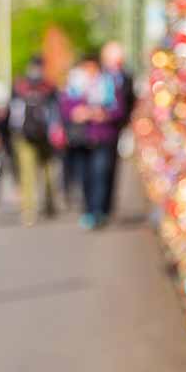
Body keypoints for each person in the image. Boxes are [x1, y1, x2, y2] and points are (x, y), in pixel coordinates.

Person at [59, 53, 126, 230]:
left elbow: (119, 110)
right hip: (81, 139)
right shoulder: (75, 86)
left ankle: (99, 211)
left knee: (100, 174)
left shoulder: (109, 84)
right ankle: (88, 209)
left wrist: (102, 114)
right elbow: (65, 108)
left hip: (102, 137)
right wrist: (78, 112)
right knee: (85, 177)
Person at [10, 56, 58, 226]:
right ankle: (48, 204)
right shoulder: (49, 86)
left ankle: (29, 210)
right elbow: (55, 111)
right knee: (46, 171)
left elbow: (13, 111)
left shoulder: (19, 86)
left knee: (28, 173)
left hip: (24, 135)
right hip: (41, 135)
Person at [100, 41, 135, 219]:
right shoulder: (99, 77)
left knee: (110, 167)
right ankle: (97, 206)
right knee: (98, 169)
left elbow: (131, 101)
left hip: (115, 127)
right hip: (97, 128)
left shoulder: (126, 77)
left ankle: (107, 205)